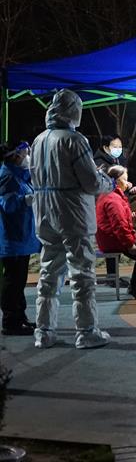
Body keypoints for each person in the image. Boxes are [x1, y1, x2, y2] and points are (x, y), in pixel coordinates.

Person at [32, 89, 116, 349]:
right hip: (73, 215)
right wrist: (108, 182)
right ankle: (87, 331)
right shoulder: (74, 140)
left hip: (45, 214)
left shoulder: (39, 140)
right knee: (82, 274)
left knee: (48, 274)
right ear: (73, 111)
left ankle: (44, 331)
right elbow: (91, 182)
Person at [96, 166, 136, 299]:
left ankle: (135, 286)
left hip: (109, 238)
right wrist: (130, 244)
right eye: (125, 180)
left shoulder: (112, 195)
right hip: (112, 240)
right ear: (115, 181)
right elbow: (119, 226)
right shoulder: (113, 199)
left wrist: (131, 215)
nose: (128, 183)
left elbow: (120, 218)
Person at [0, 142, 41, 335]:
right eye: (25, 153)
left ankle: (20, 317)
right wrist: (24, 200)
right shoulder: (7, 176)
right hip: (12, 239)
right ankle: (10, 322)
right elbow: (6, 204)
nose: (27, 157)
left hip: (21, 237)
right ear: (15, 156)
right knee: (13, 281)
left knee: (19, 281)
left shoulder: (19, 175)